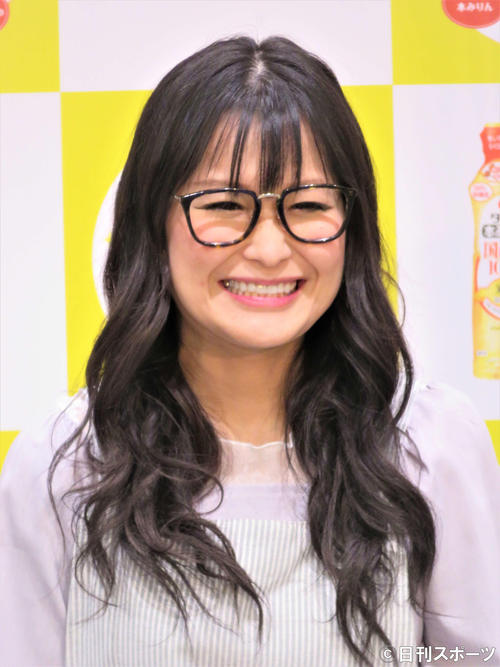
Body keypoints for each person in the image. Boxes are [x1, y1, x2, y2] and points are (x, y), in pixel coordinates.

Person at [1, 35, 499, 667]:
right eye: (223, 205)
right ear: (151, 224)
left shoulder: (429, 446)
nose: (268, 249)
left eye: (309, 205)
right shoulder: (64, 464)